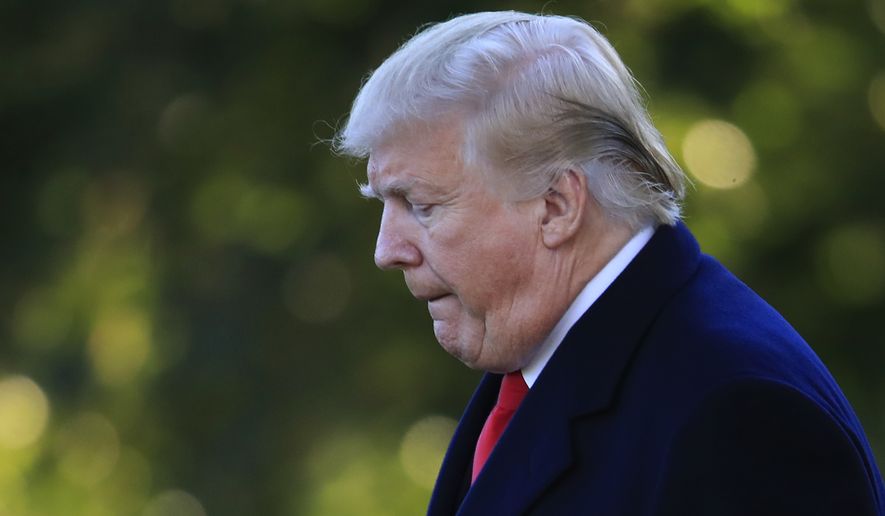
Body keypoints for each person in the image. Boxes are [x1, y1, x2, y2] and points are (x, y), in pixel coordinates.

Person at [334, 11, 885, 515]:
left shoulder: (739, 415)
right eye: (384, 205)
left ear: (557, 206)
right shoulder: (542, 358)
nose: (386, 251)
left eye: (421, 205)